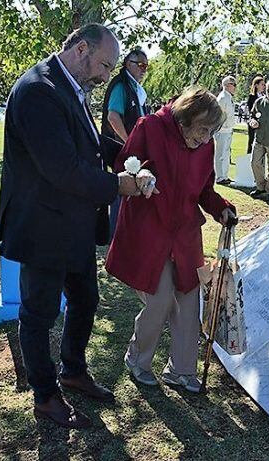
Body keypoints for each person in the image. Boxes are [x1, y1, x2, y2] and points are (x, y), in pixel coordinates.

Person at [0, 24, 155, 430]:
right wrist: (119, 185)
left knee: (85, 300)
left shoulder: (70, 87)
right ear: (81, 48)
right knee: (38, 313)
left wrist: (131, 156)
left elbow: (90, 142)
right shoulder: (37, 91)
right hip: (42, 227)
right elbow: (62, 170)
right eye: (104, 65)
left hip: (74, 224)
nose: (106, 75)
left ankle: (73, 370)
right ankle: (46, 396)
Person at [105, 86, 236, 393]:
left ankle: (181, 370)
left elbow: (205, 191)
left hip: (186, 236)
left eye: (211, 132)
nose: (205, 138)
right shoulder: (150, 126)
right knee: (160, 300)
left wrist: (223, 209)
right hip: (149, 233)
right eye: (202, 129)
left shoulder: (206, 146)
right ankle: (137, 359)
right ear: (183, 119)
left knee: (189, 304)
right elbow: (124, 164)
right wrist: (142, 176)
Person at [101, 48, 150, 235]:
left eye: (146, 66)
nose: (144, 69)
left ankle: (127, 234)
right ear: (128, 64)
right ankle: (117, 236)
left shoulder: (135, 88)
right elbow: (113, 117)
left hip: (132, 151)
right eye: (141, 65)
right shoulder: (121, 85)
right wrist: (129, 141)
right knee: (121, 191)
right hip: (122, 151)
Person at [214, 76, 237, 185]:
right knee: (221, 154)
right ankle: (219, 177)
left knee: (226, 153)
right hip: (222, 130)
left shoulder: (228, 97)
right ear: (227, 85)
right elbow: (217, 115)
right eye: (233, 84)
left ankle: (225, 175)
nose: (235, 87)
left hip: (228, 129)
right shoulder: (222, 98)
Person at [246, 76, 265, 155]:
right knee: (252, 141)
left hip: (263, 123)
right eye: (262, 84)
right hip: (254, 122)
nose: (264, 86)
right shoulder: (252, 97)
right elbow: (251, 110)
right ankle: (249, 158)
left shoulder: (264, 96)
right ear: (256, 85)